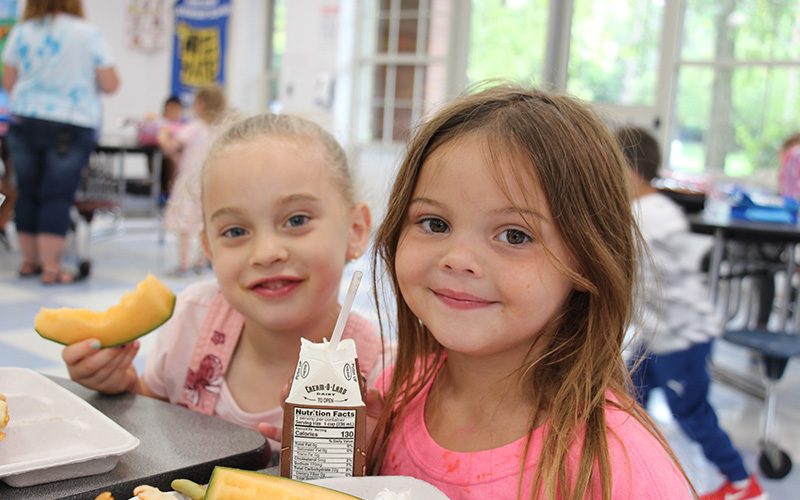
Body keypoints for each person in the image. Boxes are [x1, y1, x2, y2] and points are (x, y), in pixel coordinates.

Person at [365, 85, 694, 499]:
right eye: (435, 223)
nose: (459, 259)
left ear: (586, 260)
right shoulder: (397, 389)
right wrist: (354, 464)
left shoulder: (618, 462)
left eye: (514, 235)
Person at [61, 113, 378, 453]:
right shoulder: (192, 320)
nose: (266, 253)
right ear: (210, 249)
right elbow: (151, 420)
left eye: (296, 220)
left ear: (356, 230)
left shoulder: (381, 374)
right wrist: (116, 385)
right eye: (235, 231)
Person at [617, 126, 765, 500]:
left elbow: (626, 273)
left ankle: (744, 484)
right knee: (631, 400)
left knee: (692, 412)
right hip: (658, 332)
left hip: (681, 335)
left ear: (627, 170)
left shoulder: (645, 217)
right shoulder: (652, 208)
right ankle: (632, 471)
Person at [1, 0, 119, 284]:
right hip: (72, 121)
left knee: (28, 192)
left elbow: (8, 81)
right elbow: (110, 84)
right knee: (56, 195)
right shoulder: (87, 33)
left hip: (25, 119)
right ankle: (52, 267)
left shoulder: (21, 32)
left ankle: (29, 262)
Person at [158, 85, 225, 276]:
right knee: (205, 223)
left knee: (185, 225)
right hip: (210, 183)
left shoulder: (194, 127)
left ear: (201, 104)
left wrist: (163, 135)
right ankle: (202, 261)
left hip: (189, 183)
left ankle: (184, 264)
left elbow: (171, 146)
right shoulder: (217, 130)